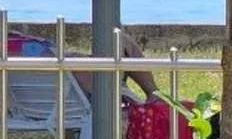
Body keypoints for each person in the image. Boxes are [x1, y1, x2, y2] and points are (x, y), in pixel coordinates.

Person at [6, 30, 160, 101]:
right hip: (82, 89)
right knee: (120, 39)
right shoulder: (18, 49)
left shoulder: (10, 50)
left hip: (42, 97)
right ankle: (155, 95)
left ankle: (155, 95)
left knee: (119, 40)